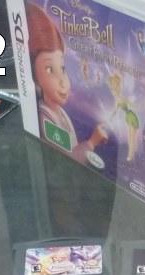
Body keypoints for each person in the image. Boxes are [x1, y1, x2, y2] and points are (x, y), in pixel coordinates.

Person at [26, 4, 107, 163]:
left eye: (62, 69)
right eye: (49, 70)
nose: (62, 81)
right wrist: (92, 142)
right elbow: (68, 159)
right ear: (35, 77)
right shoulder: (44, 116)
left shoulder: (61, 113)